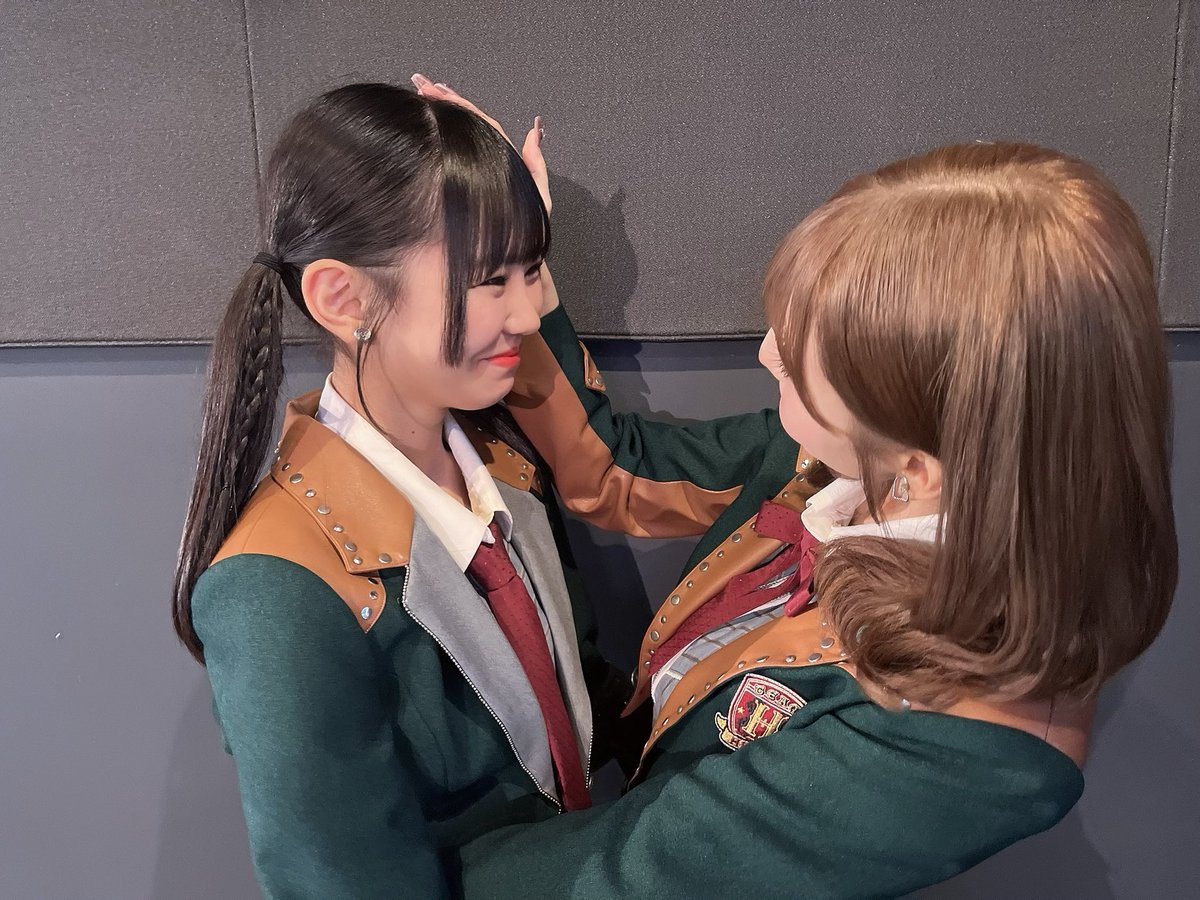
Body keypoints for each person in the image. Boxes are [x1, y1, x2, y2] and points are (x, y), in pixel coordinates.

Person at [416, 84, 1177, 899]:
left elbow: (638, 872)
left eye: (808, 355)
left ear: (917, 462)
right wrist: (522, 268)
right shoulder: (837, 459)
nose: (768, 353)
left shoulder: (964, 745)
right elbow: (618, 472)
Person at [171, 82, 634, 899]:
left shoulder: (509, 471)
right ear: (343, 298)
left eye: (531, 270)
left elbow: (581, 690)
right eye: (490, 279)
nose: (528, 312)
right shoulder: (276, 591)